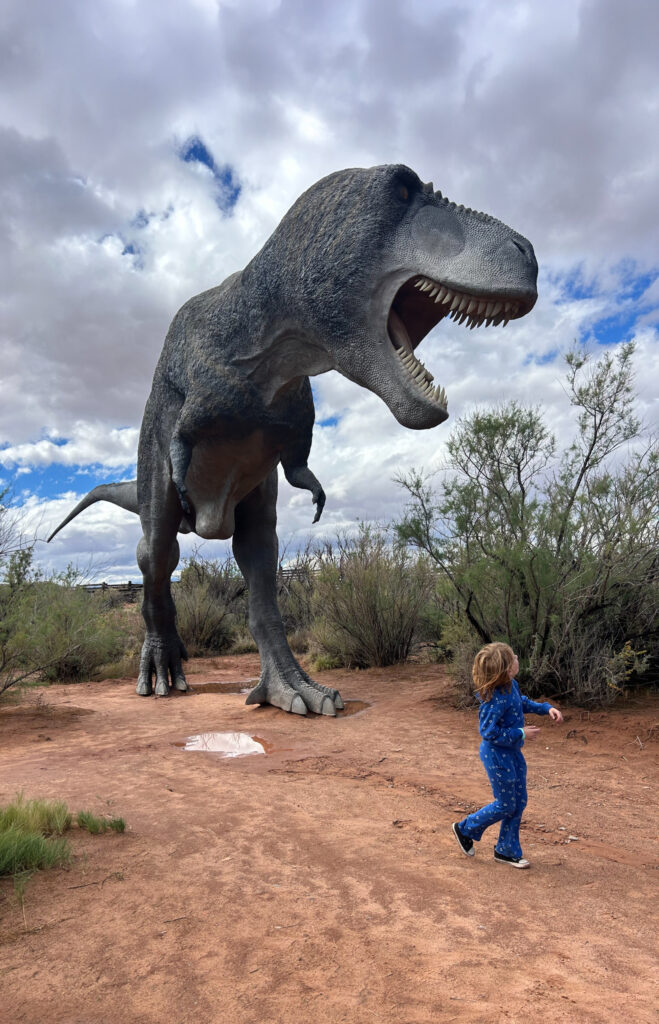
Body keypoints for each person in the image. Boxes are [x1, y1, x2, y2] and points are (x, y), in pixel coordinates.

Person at [452, 642, 563, 869]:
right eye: (514, 657)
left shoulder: (511, 686)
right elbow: (488, 733)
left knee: (519, 801)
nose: (517, 658)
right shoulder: (492, 699)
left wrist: (545, 708)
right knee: (505, 804)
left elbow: (520, 703)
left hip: (512, 753)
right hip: (496, 756)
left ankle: (506, 850)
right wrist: (520, 733)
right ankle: (465, 828)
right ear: (507, 668)